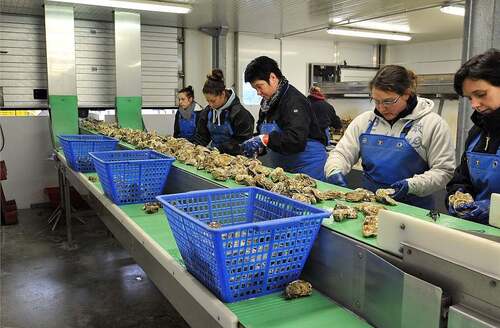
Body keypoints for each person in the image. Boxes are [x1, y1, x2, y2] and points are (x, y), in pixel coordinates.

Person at [324, 65, 455, 209]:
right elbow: (342, 153)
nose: (381, 108)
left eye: (388, 101)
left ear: (406, 93)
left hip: (414, 209)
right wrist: (334, 170)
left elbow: (443, 170)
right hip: (369, 205)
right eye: (376, 101)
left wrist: (411, 185)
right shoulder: (364, 122)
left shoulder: (432, 124)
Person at [242, 56, 328, 181]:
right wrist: (257, 145)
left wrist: (265, 139)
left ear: (272, 78)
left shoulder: (294, 101)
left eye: (259, 86)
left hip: (308, 166)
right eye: (255, 88)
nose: (258, 92)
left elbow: (295, 139)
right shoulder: (267, 104)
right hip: (284, 166)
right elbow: (265, 133)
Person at [446, 48, 500, 224]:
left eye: (481, 94)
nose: (475, 104)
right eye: (470, 98)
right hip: (477, 232)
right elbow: (461, 179)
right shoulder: (477, 132)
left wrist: (494, 208)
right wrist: (458, 195)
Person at [192, 69, 254, 155]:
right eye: (207, 101)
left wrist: (219, 149)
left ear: (223, 94)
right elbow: (202, 136)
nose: (210, 104)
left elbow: (242, 141)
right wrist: (196, 149)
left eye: (213, 101)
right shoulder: (208, 111)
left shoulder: (240, 114)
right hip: (215, 155)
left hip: (236, 159)